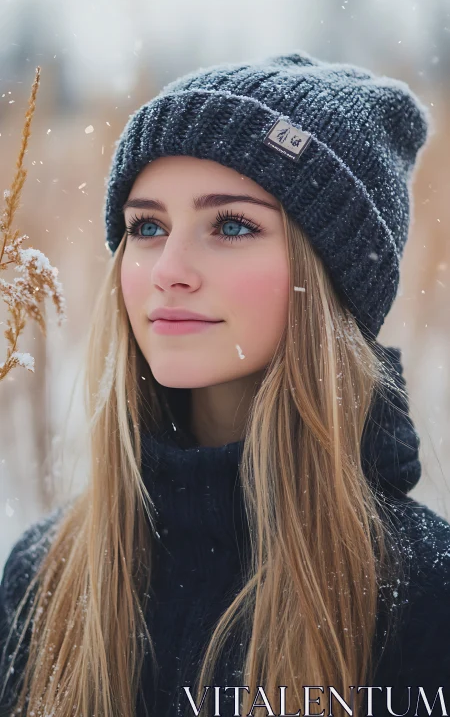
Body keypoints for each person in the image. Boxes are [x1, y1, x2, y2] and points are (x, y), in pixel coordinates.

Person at [1, 50, 450, 717]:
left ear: (332, 278)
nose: (168, 269)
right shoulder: (47, 579)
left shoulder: (424, 597)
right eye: (147, 227)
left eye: (232, 225)